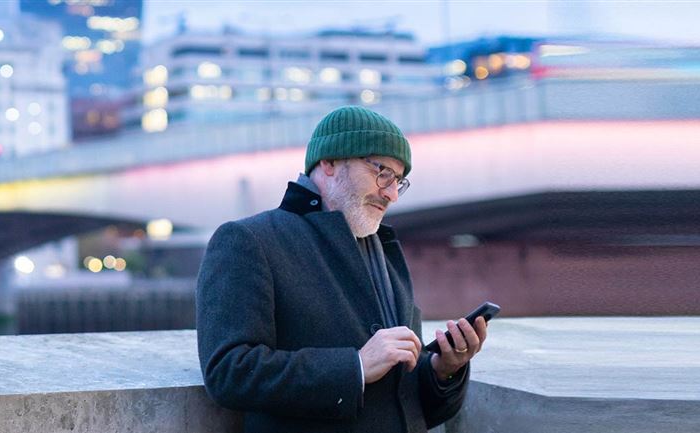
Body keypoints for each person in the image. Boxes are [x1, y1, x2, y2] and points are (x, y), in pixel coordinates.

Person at [196, 106, 489, 432]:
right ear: (330, 162)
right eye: (382, 172)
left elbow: (406, 398)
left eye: (399, 181)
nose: (391, 194)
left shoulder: (384, 251)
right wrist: (356, 367)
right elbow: (228, 372)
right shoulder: (248, 240)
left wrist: (443, 370)